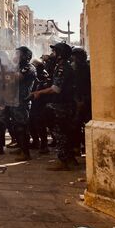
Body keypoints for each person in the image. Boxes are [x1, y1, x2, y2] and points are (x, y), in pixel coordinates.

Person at [31, 42, 76, 171]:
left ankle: (63, 161)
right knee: (65, 132)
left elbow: (56, 89)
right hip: (65, 103)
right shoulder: (62, 66)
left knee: (60, 132)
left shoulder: (62, 68)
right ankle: (71, 159)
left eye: (54, 52)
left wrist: (39, 92)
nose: (52, 54)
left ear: (60, 54)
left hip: (62, 104)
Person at [9, 46, 37, 162]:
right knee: (16, 127)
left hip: (22, 102)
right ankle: (21, 148)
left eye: (17, 54)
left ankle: (26, 153)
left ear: (25, 56)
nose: (14, 56)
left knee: (22, 127)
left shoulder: (28, 68)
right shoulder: (18, 67)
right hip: (15, 101)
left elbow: (16, 78)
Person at [71, 47, 91, 154]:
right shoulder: (74, 69)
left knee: (85, 124)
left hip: (86, 100)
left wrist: (83, 100)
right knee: (76, 125)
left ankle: (86, 146)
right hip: (77, 99)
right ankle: (77, 147)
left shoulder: (87, 69)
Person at [29, 59, 52, 154]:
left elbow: (44, 89)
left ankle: (44, 145)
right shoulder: (37, 75)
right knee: (31, 123)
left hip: (41, 104)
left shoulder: (42, 75)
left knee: (40, 124)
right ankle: (36, 142)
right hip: (35, 103)